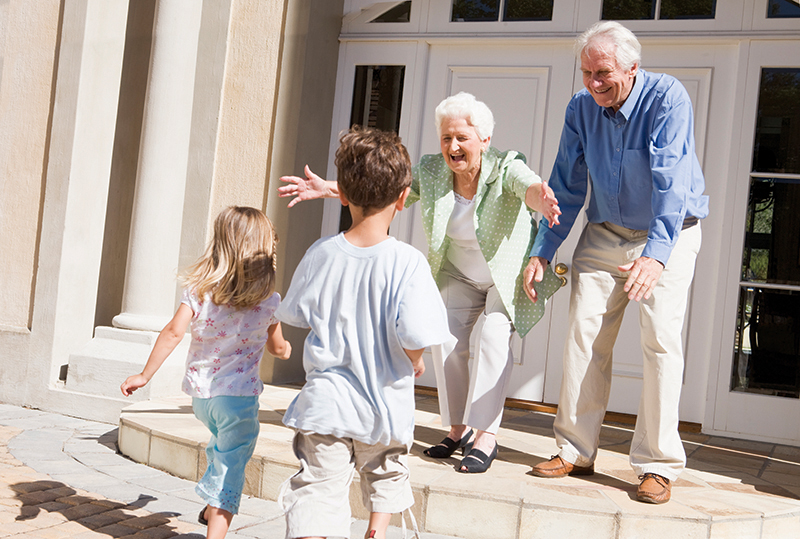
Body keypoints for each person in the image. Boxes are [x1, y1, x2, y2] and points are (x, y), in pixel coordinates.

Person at [279, 92, 563, 474]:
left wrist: (539, 199)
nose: (453, 146)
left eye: (462, 137)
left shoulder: (505, 167)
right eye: (447, 138)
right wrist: (330, 189)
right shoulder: (432, 172)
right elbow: (387, 189)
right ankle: (458, 428)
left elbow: (527, 186)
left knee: (494, 335)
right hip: (458, 272)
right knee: (445, 339)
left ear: (485, 140)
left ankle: (486, 435)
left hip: (503, 275)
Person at [525, 21, 709, 504]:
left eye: (603, 72)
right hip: (604, 232)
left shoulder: (667, 98)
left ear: (632, 67)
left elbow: (670, 177)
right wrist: (544, 248)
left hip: (669, 231)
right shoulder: (581, 107)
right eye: (586, 72)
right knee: (584, 338)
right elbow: (565, 182)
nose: (593, 82)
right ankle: (574, 449)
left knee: (660, 342)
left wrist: (658, 253)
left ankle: (657, 464)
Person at [275, 126, 454, 539]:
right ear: (404, 197)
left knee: (318, 489)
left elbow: (295, 313)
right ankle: (376, 532)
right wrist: (416, 359)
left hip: (326, 405)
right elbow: (413, 333)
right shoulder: (408, 263)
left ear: (341, 194)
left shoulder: (321, 253)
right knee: (387, 473)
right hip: (383, 406)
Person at [120, 206, 292, 539]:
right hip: (238, 402)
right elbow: (278, 348)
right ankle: (217, 526)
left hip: (202, 399)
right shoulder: (269, 302)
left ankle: (209, 506)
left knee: (221, 446)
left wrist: (145, 375)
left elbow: (172, 332)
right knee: (232, 467)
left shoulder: (200, 291)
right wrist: (286, 350)